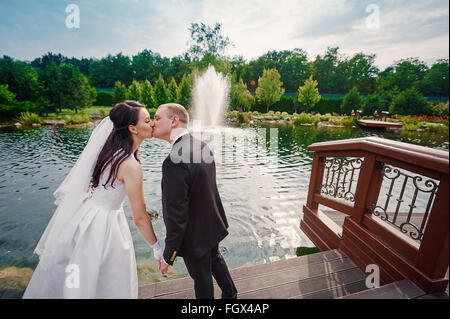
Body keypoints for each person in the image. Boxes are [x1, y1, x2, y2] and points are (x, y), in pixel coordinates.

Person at [23, 101, 163, 299]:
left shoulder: (109, 152)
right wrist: (157, 249)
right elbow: (139, 218)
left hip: (86, 218)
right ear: (132, 128)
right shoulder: (130, 165)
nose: (152, 125)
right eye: (147, 121)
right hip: (104, 227)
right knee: (106, 280)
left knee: (80, 278)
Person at [151, 103, 238, 299]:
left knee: (202, 278)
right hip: (211, 225)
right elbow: (207, 192)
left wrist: (168, 254)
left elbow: (176, 215)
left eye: (157, 118)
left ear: (174, 120)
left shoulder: (174, 160)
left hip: (194, 236)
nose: (153, 123)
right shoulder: (201, 144)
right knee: (215, 258)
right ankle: (231, 294)